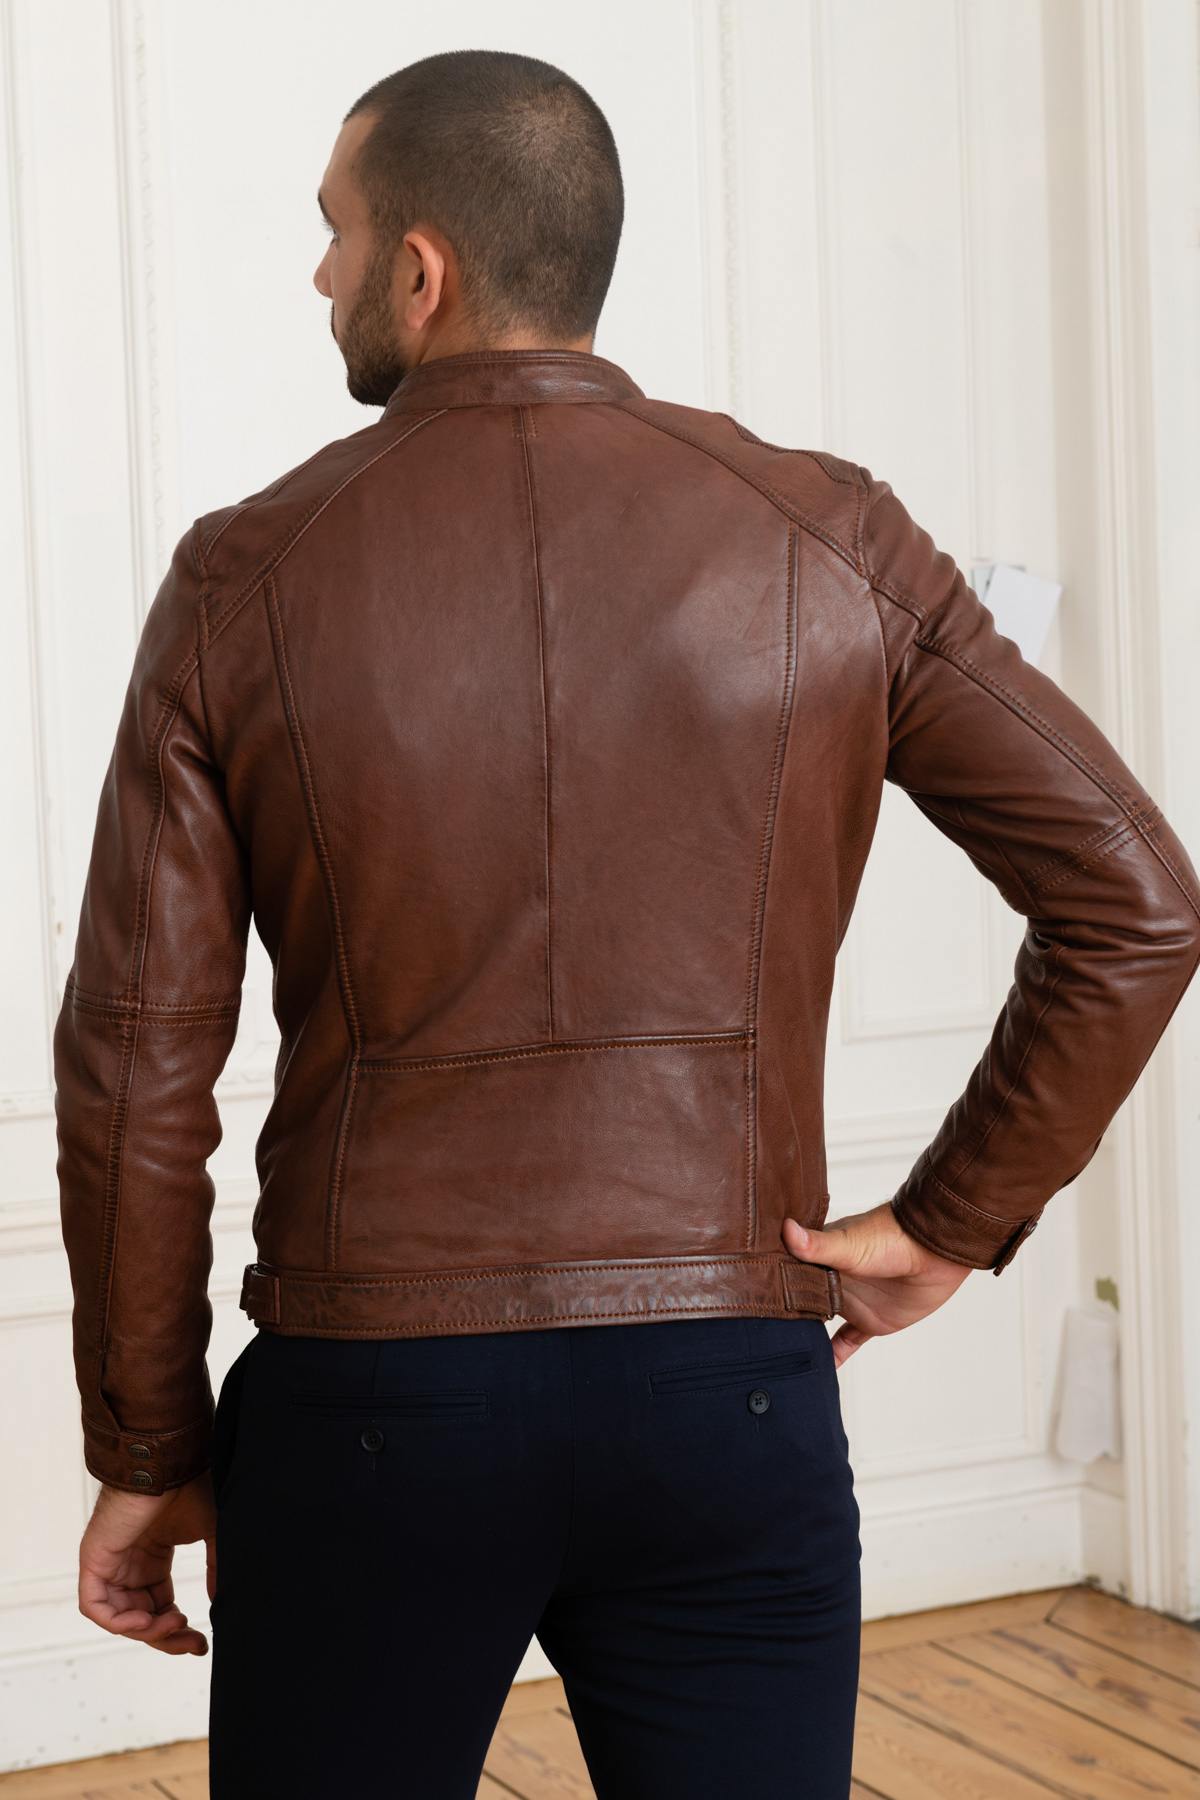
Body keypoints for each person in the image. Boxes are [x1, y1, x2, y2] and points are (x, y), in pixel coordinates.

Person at [52, 46, 1200, 1800]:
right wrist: (951, 1222)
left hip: (372, 1409)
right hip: (726, 1395)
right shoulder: (833, 536)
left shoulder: (242, 577)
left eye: (333, 233)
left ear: (420, 270)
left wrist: (147, 1444)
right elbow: (1138, 900)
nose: (316, 273)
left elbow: (138, 1070)